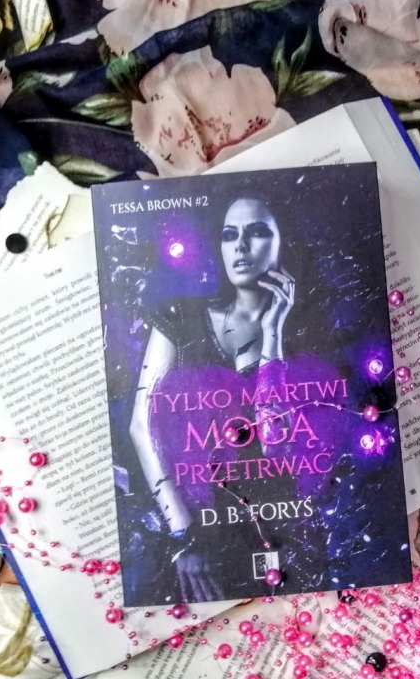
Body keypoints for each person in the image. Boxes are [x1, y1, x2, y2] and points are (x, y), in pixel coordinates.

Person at [126, 194, 299, 602]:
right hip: (186, 518)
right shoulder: (181, 316)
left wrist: (273, 333)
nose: (241, 246)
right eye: (229, 235)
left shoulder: (302, 327)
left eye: (258, 232)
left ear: (283, 242)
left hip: (276, 520)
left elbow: (275, 442)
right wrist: (183, 534)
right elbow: (142, 425)